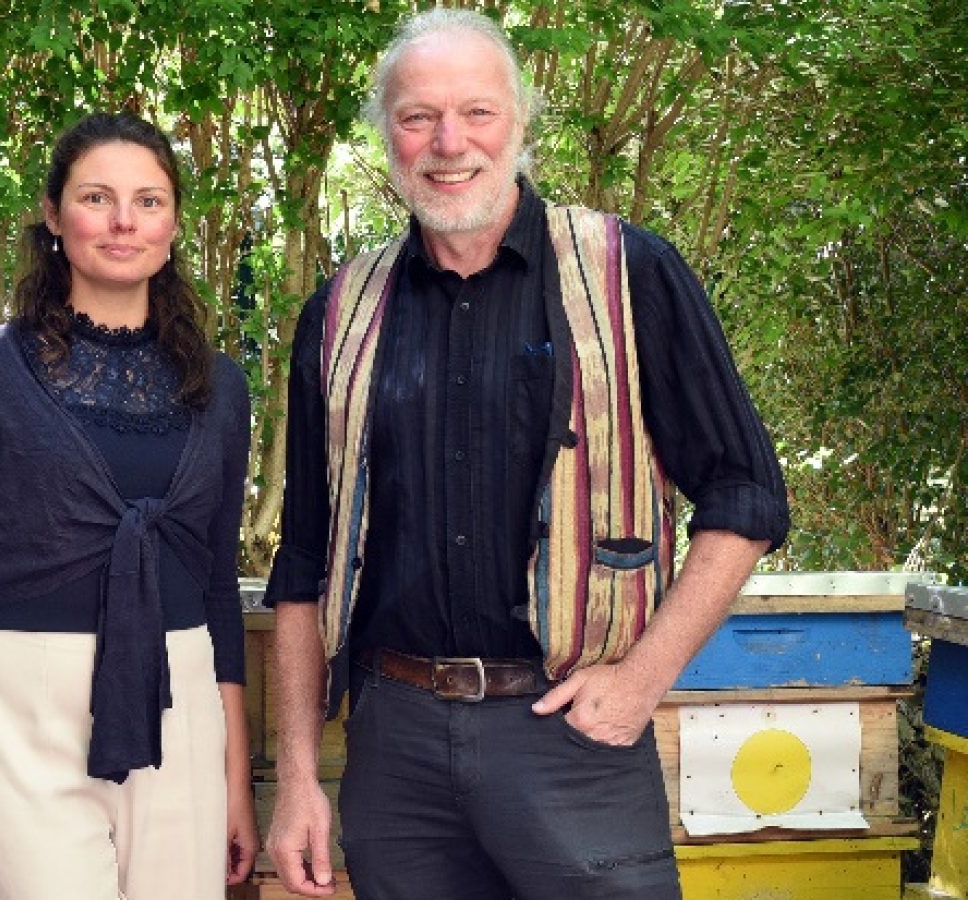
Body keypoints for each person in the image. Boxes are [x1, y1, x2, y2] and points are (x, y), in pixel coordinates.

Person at [262, 9, 791, 900]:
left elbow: (745, 496)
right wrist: (302, 779)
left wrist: (642, 679)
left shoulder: (630, 273)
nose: (447, 142)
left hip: (572, 743)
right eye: (417, 116)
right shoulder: (340, 310)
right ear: (385, 136)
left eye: (477, 112)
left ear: (520, 123)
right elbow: (305, 559)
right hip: (396, 753)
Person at [0, 111, 259, 900]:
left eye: (150, 200)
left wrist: (235, 777)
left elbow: (216, 591)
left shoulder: (222, 388)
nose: (125, 221)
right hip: (18, 715)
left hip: (183, 706)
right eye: (97, 197)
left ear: (173, 224)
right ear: (53, 215)